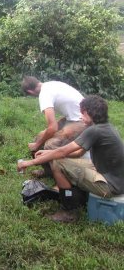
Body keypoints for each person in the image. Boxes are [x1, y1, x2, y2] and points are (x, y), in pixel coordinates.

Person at [18, 95, 124, 223]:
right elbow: (79, 152)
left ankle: (69, 211)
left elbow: (63, 152)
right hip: (115, 179)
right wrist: (49, 152)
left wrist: (30, 162)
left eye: (83, 113)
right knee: (63, 161)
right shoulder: (106, 127)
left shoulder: (95, 131)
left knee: (58, 163)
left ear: (89, 113)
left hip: (110, 186)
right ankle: (78, 198)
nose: (80, 117)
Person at [21, 76, 87, 177]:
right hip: (72, 117)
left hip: (82, 121)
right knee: (40, 137)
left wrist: (37, 145)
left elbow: (52, 128)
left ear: (30, 92)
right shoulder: (51, 84)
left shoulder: (44, 95)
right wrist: (39, 141)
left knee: (50, 145)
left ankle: (60, 175)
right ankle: (48, 170)